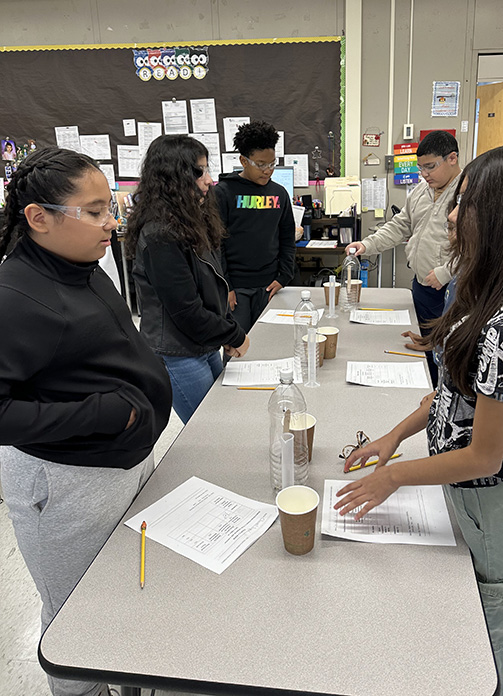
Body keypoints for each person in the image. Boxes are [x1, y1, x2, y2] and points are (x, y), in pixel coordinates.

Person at [335, 144, 503, 696]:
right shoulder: (487, 291)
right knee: (468, 626)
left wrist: (393, 475)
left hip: (493, 498)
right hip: (460, 485)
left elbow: (484, 454)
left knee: (502, 632)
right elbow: (449, 394)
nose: (449, 214)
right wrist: (394, 437)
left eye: (463, 204)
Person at [0, 147, 172, 696]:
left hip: (120, 463)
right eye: (95, 211)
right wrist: (98, 413)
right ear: (38, 217)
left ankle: (125, 677)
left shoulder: (82, 265)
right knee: (77, 621)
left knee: (123, 593)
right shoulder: (15, 297)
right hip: (69, 484)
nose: (112, 222)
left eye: (111, 208)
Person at [126, 135, 249, 424]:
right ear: (175, 176)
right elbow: (185, 310)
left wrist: (223, 333)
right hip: (177, 352)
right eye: (200, 172)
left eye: (208, 170)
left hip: (202, 344)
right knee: (209, 428)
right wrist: (234, 334)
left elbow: (208, 288)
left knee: (223, 418)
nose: (209, 181)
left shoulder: (189, 221)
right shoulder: (159, 234)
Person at [345, 130, 460, 386]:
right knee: (425, 346)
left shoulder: (469, 193)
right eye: (421, 168)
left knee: (448, 352)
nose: (425, 174)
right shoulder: (421, 191)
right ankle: (428, 395)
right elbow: (399, 226)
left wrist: (446, 272)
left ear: (452, 158)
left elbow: (478, 248)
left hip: (451, 289)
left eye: (430, 167)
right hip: (422, 285)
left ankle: (442, 396)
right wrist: (366, 245)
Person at [214, 120, 296, 332]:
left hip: (269, 286)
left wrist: (283, 276)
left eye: (272, 164)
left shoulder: (279, 194)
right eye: (260, 164)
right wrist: (226, 287)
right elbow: (216, 244)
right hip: (236, 289)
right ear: (243, 160)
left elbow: (287, 238)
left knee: (269, 342)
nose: (267, 171)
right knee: (238, 349)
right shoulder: (223, 193)